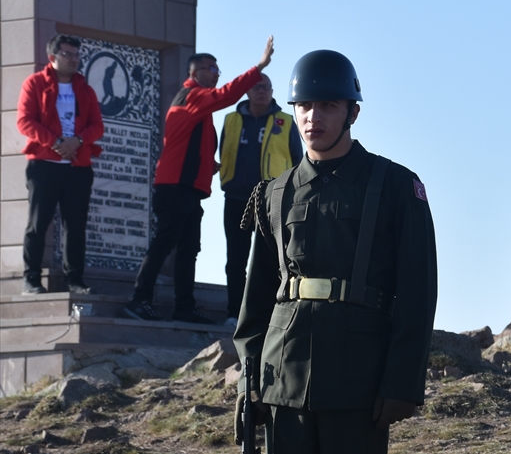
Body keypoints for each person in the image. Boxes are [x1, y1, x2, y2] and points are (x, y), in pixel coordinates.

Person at [234, 49, 436, 454]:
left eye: (326, 105)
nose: (313, 117)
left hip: (358, 385)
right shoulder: (273, 192)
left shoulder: (395, 186)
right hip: (285, 382)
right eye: (304, 106)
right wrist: (250, 383)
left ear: (351, 110)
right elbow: (256, 301)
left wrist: (402, 382)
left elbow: (418, 291)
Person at [124, 37, 274, 323]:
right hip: (175, 187)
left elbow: (190, 145)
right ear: (193, 74)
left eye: (218, 68)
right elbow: (227, 96)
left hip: (189, 189)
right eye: (210, 68)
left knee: (189, 249)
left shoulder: (197, 106)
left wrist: (209, 165)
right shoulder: (191, 96)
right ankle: (139, 299)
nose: (216, 73)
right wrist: (259, 67)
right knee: (164, 243)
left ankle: (184, 307)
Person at [16, 34, 105, 295]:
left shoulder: (85, 90)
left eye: (77, 55)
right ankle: (31, 279)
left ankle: (75, 279)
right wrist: (56, 142)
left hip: (77, 166)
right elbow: (25, 121)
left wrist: (77, 141)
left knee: (75, 226)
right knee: (38, 223)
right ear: (53, 57)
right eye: (68, 54)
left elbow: (97, 126)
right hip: (44, 164)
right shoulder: (35, 83)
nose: (74, 59)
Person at [217, 74, 302, 325]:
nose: (262, 92)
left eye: (267, 87)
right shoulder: (231, 120)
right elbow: (224, 151)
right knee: (236, 259)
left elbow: (298, 161)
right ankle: (235, 313)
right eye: (257, 87)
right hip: (235, 198)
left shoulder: (285, 121)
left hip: (271, 200)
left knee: (273, 260)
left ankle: (269, 314)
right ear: (247, 91)